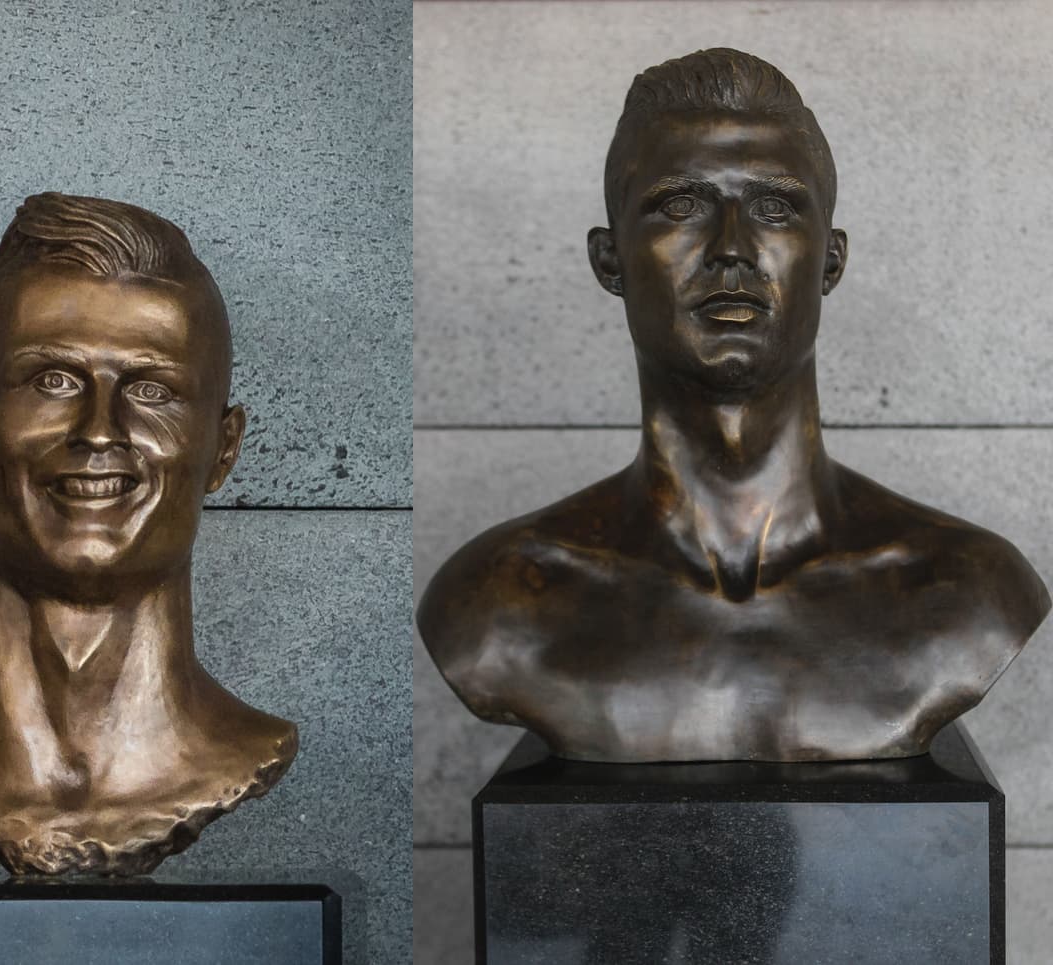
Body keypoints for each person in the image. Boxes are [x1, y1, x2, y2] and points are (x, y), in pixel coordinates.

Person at [418, 49, 1049, 763]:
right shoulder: (497, 604)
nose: (732, 249)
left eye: (774, 208)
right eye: (680, 206)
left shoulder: (971, 588)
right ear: (609, 260)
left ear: (831, 260)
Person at [0, 192, 296, 874]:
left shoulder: (244, 750)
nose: (99, 431)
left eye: (152, 390)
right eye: (53, 379)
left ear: (224, 448)